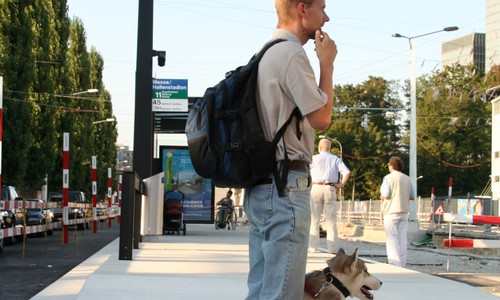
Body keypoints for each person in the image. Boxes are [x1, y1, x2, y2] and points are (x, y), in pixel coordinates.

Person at [243, 0, 337, 299]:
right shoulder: (291, 54)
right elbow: (321, 118)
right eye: (321, 8)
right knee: (282, 294)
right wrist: (327, 64)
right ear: (301, 9)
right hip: (285, 187)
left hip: (261, 185)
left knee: (260, 290)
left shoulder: (264, 53)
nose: (326, 17)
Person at [309, 138, 350, 253]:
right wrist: (341, 184)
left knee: (314, 219)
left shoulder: (313, 159)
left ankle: (313, 247)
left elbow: (305, 171)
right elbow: (347, 172)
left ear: (319, 148)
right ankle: (333, 248)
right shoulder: (335, 159)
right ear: (330, 148)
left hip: (316, 187)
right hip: (330, 188)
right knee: (331, 220)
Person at [380, 156, 415, 267]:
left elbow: (385, 194)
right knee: (402, 238)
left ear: (391, 165)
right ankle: (402, 263)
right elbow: (412, 196)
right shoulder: (407, 179)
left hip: (391, 210)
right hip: (404, 211)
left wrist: (381, 196)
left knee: (392, 238)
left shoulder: (388, 178)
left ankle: (395, 263)